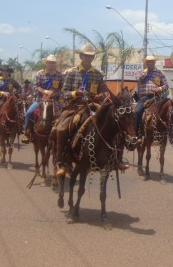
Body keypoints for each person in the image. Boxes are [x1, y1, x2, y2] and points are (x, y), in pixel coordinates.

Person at [54, 43, 128, 176]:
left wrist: (101, 95)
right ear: (80, 56)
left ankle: (116, 159)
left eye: (91, 56)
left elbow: (104, 92)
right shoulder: (71, 73)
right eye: (86, 56)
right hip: (75, 106)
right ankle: (62, 162)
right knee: (61, 129)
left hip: (94, 106)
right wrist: (75, 93)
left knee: (114, 123)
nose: (88, 59)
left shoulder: (98, 74)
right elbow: (63, 93)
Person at [134, 55, 173, 142]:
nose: (151, 63)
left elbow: (166, 85)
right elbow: (138, 79)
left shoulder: (160, 73)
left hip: (157, 97)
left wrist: (159, 88)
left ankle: (171, 134)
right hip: (144, 97)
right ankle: (137, 134)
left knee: (171, 111)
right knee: (137, 111)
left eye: (152, 62)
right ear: (146, 63)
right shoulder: (140, 72)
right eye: (149, 62)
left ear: (155, 62)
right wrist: (146, 72)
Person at [21, 54, 62, 144]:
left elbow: (61, 89)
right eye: (49, 63)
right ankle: (27, 133)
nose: (51, 64)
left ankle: (62, 136)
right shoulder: (39, 74)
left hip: (54, 100)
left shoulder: (59, 75)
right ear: (46, 63)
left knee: (63, 114)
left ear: (55, 64)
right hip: (40, 100)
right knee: (29, 113)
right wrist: (45, 92)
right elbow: (36, 87)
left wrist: (54, 93)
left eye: (53, 63)